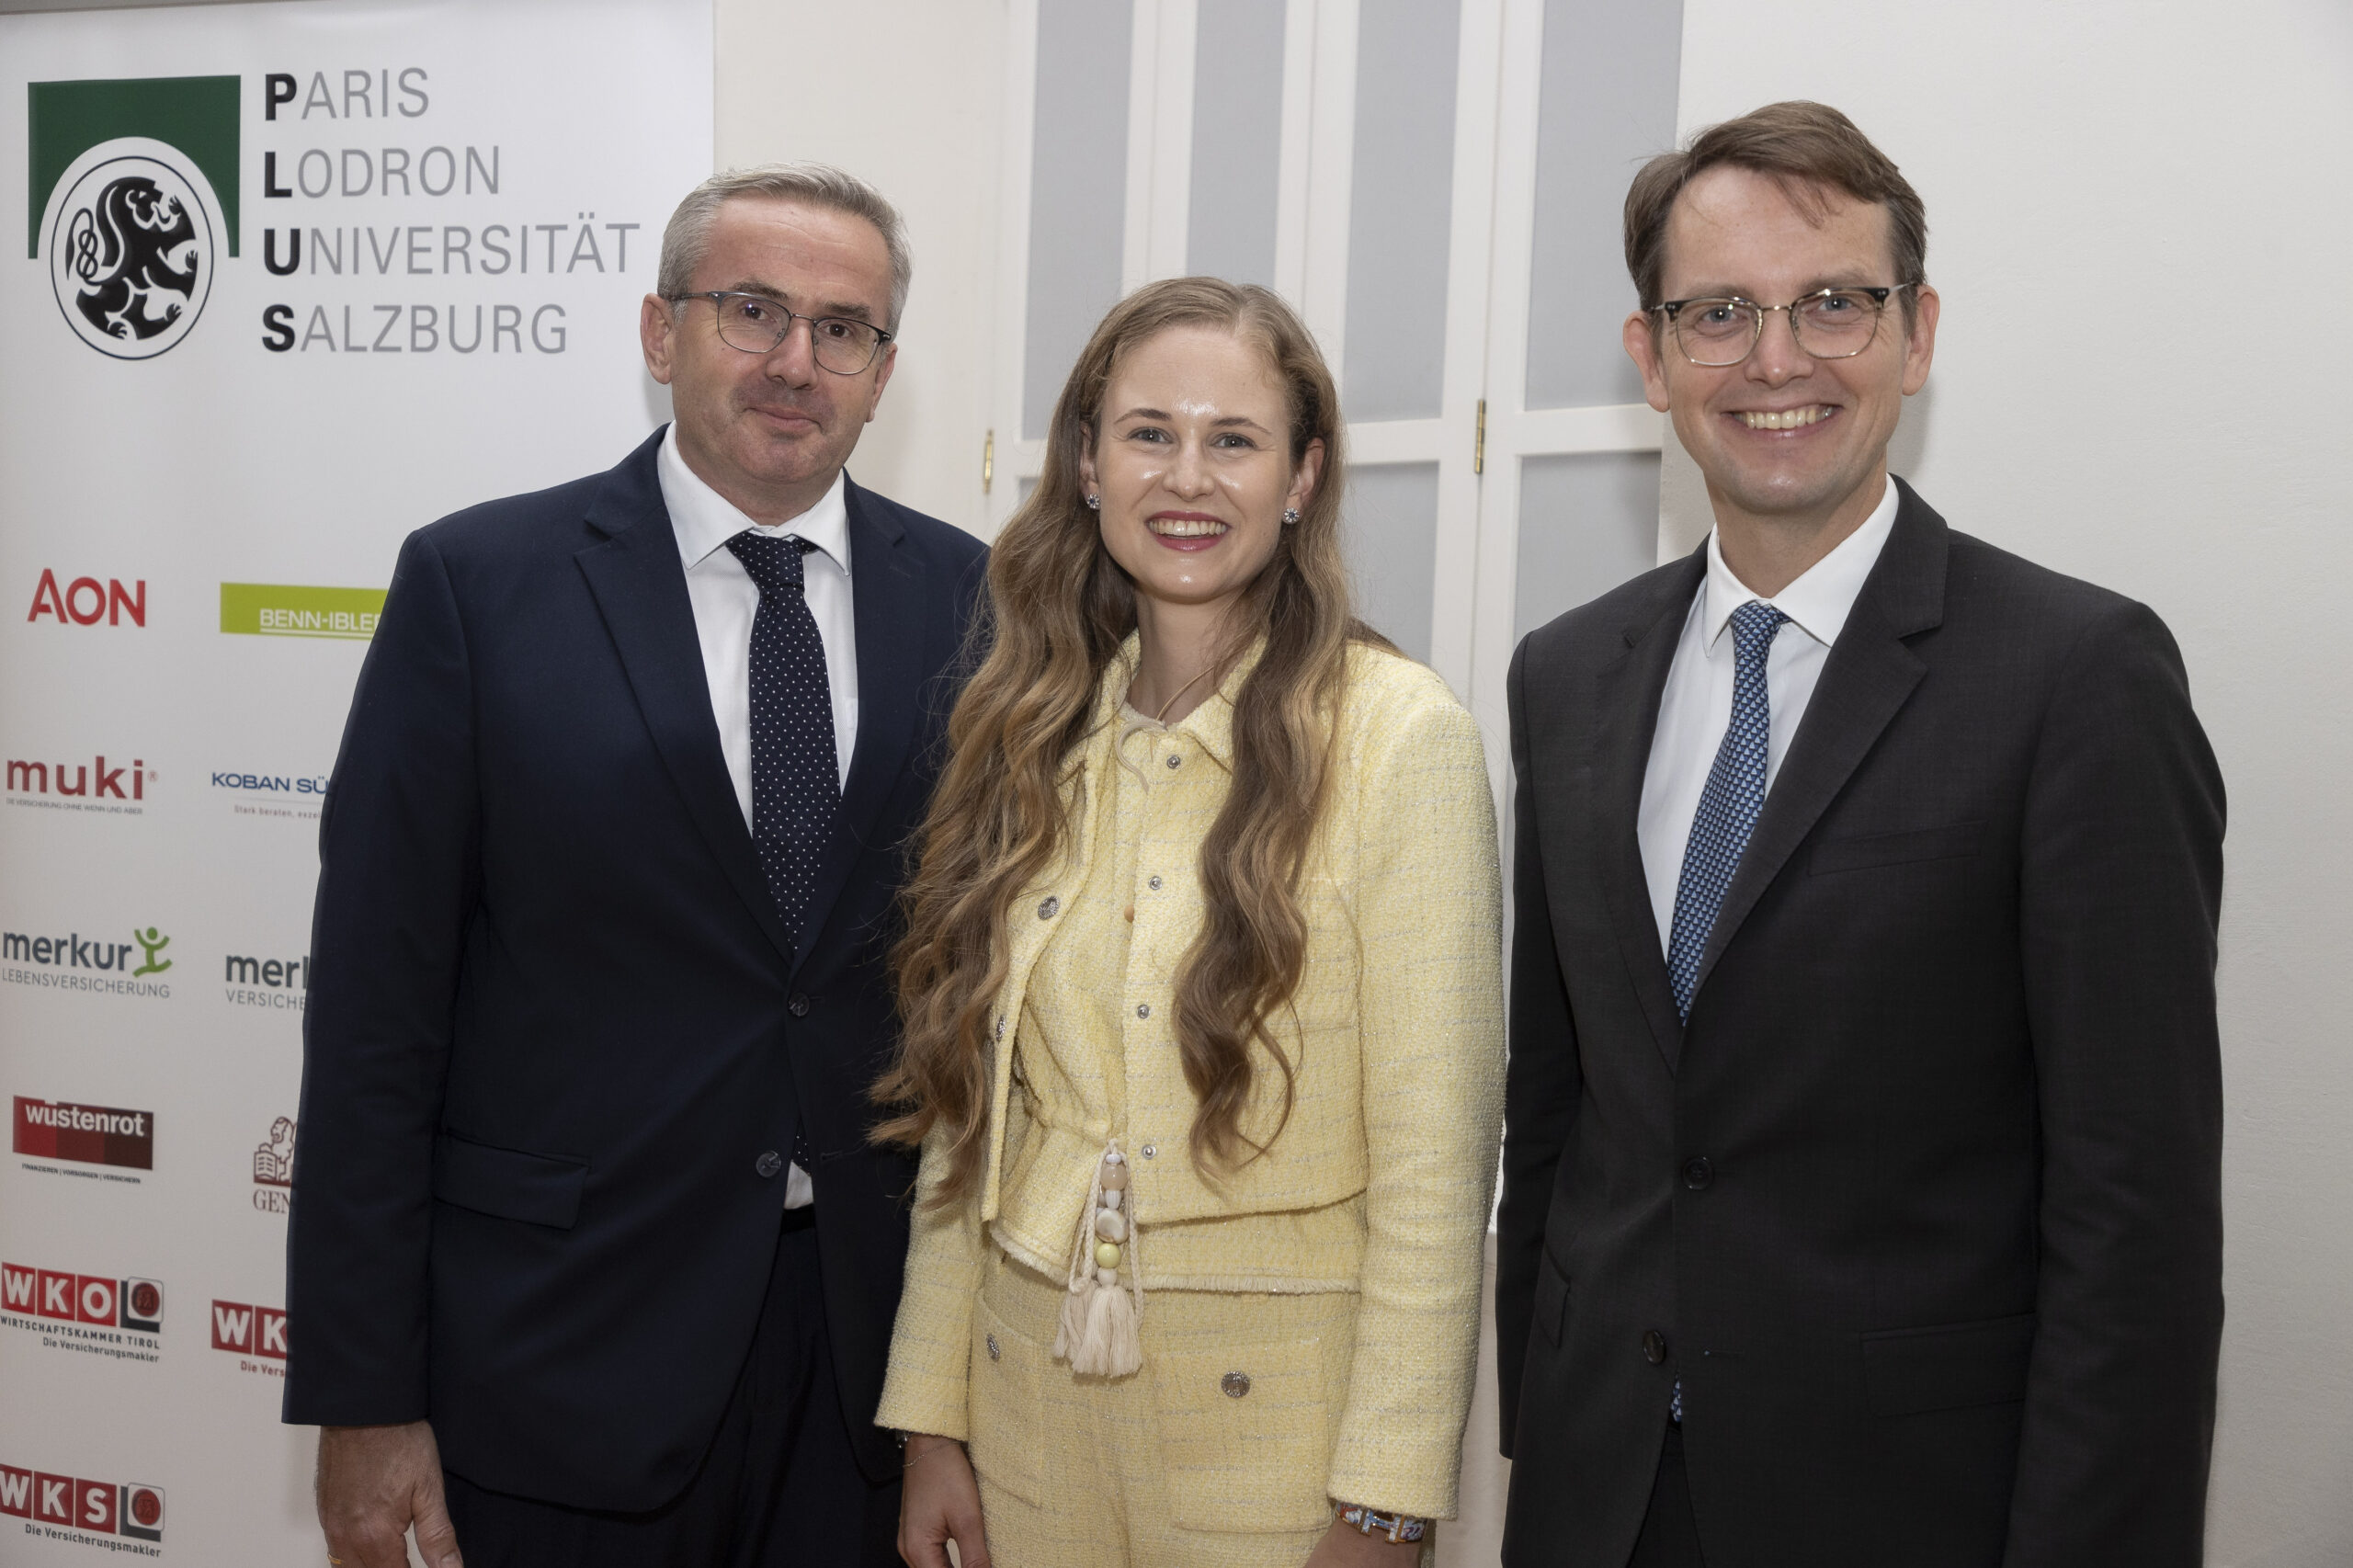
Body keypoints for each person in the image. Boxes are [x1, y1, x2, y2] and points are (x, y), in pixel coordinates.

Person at [1496, 101, 2225, 1568]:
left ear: (1916, 332)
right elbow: (1562, 1112)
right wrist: (1540, 1428)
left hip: (1913, 1507)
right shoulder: (1565, 675)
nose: (1778, 360)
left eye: (1834, 301)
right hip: (1601, 1489)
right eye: (1719, 313)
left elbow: (2134, 1219)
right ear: (1651, 357)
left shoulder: (2076, 678)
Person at [282, 164, 986, 1568]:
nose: (796, 361)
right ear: (662, 332)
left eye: (843, 329)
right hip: (559, 1359)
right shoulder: (481, 586)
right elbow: (374, 1023)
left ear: (884, 371)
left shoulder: (976, 601)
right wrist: (364, 1395)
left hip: (863, 1372)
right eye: (753, 311)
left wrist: (950, 1404)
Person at [874, 276, 1504, 1568]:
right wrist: (931, 1420)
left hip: (1277, 1449)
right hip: (1024, 1421)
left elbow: (1435, 1173)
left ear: (1302, 477)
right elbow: (964, 1112)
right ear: (1088, 463)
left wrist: (1386, 1504)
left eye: (1236, 440)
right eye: (1150, 433)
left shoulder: (1399, 739)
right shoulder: (1026, 726)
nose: (1187, 478)